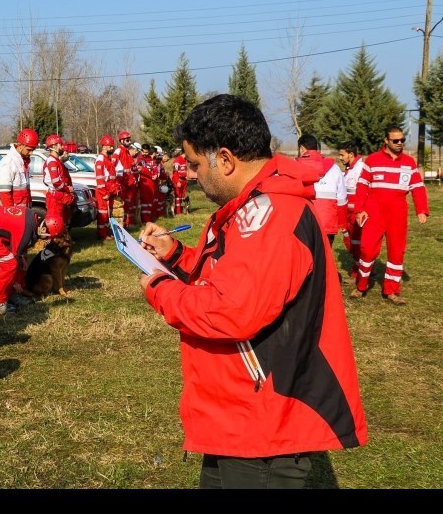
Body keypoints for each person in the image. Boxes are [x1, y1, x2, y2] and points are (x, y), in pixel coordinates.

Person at [137, 94, 368, 489]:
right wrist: (175, 256)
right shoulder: (256, 207)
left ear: (225, 159)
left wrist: (159, 287)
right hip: (240, 415)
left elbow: (231, 309)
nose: (192, 175)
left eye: (195, 164)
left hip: (263, 424)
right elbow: (232, 274)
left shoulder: (273, 214)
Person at [349, 126, 429, 305]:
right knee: (367, 250)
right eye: (395, 140)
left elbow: (417, 187)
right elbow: (362, 186)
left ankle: (392, 291)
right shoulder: (373, 160)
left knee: (396, 252)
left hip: (398, 215)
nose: (399, 143)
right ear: (386, 140)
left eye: (402, 140)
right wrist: (359, 209)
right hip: (374, 213)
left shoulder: (409, 163)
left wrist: (421, 209)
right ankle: (361, 286)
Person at [0, 206, 65, 314]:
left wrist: (21, 259)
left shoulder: (31, 217)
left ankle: (15, 294)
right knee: (9, 264)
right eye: (47, 236)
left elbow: (20, 249)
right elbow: (16, 253)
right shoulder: (26, 229)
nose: (46, 239)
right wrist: (14, 282)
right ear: (43, 229)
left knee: (21, 260)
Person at [296, 134, 348, 246]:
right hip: (327, 223)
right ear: (317, 148)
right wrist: (343, 224)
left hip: (301, 223)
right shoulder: (335, 168)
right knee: (325, 259)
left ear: (302, 148)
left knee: (305, 260)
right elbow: (342, 199)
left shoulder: (294, 166)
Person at [339, 142, 365, 279]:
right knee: (348, 239)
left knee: (357, 242)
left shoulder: (360, 168)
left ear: (351, 154)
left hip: (356, 214)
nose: (340, 158)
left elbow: (363, 193)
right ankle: (359, 266)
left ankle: (361, 270)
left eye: (342, 155)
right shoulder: (349, 169)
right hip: (347, 214)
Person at [0, 128, 37, 207]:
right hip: (13, 214)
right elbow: (5, 194)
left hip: (22, 213)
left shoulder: (23, 162)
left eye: (33, 150)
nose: (31, 153)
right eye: (29, 150)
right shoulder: (8, 163)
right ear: (20, 145)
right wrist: (11, 216)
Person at [43, 134, 76, 224]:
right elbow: (56, 182)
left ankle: (62, 237)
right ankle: (55, 238)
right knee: (55, 222)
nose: (62, 147)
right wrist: (67, 188)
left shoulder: (56, 161)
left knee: (62, 221)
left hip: (60, 196)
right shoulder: (52, 162)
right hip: (55, 197)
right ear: (54, 146)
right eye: (60, 145)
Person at [94, 134, 119, 241]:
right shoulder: (100, 160)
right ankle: (102, 234)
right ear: (104, 146)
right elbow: (100, 178)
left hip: (108, 190)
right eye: (110, 147)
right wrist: (104, 193)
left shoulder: (107, 159)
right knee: (103, 213)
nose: (112, 148)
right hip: (102, 192)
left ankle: (106, 232)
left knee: (107, 213)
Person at [112, 131, 137, 228]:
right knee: (122, 204)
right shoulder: (118, 151)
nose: (129, 141)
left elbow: (129, 167)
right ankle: (121, 225)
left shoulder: (126, 152)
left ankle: (126, 224)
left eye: (130, 139)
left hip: (128, 182)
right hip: (122, 182)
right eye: (127, 140)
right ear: (121, 141)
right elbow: (113, 166)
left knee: (128, 203)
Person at [136, 143, 158, 224]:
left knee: (150, 202)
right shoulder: (139, 159)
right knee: (144, 202)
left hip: (151, 183)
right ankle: (145, 220)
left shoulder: (151, 160)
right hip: (144, 184)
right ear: (141, 151)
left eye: (147, 152)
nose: (145, 154)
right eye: (144, 152)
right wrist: (150, 174)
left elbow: (155, 168)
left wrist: (155, 174)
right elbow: (140, 169)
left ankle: (149, 218)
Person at [171, 147, 188, 214]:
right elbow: (175, 172)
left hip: (184, 180)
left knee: (182, 196)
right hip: (179, 180)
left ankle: (181, 210)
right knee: (178, 196)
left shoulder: (185, 160)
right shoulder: (177, 160)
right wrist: (177, 181)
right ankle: (177, 212)